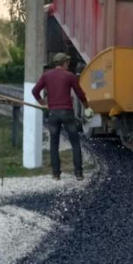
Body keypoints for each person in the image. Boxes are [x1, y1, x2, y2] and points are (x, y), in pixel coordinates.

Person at [31, 52, 91, 180]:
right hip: (67, 113)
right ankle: (79, 173)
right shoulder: (70, 76)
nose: (68, 65)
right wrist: (86, 107)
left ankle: (56, 174)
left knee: (54, 144)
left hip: (53, 113)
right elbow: (80, 94)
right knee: (75, 143)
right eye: (67, 62)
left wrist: (43, 104)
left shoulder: (46, 76)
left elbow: (35, 91)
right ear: (64, 63)